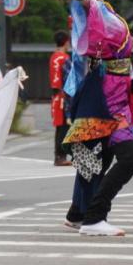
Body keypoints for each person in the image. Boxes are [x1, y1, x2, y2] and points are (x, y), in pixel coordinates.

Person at [52, 0, 133, 237]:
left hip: (113, 88)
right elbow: (90, 10)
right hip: (105, 93)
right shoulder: (86, 8)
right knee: (127, 158)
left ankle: (78, 213)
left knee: (97, 156)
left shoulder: (104, 8)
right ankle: (94, 217)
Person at [50, 31, 73, 166]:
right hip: (64, 96)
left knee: (59, 127)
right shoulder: (65, 58)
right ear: (66, 42)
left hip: (55, 96)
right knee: (64, 127)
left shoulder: (53, 57)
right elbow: (69, 79)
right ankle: (61, 156)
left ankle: (58, 155)